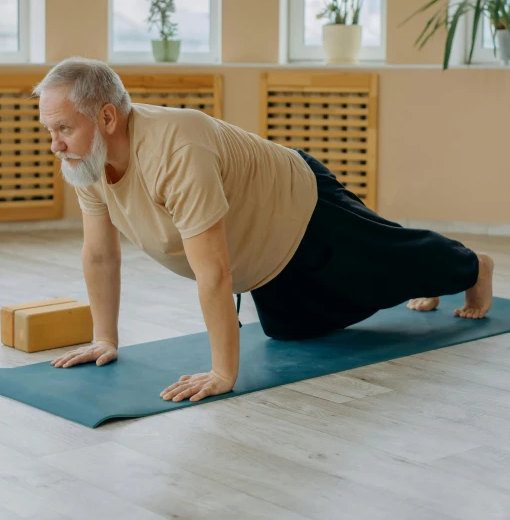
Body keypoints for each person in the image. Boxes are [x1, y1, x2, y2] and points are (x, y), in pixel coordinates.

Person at [33, 57, 494, 404]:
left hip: (304, 207)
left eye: (63, 129)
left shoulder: (175, 146)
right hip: (265, 259)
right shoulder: (87, 161)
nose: (55, 145)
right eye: (49, 130)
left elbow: (213, 270)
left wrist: (222, 373)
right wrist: (104, 339)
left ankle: (472, 268)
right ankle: (423, 276)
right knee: (289, 330)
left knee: (393, 261)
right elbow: (99, 254)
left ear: (108, 118)